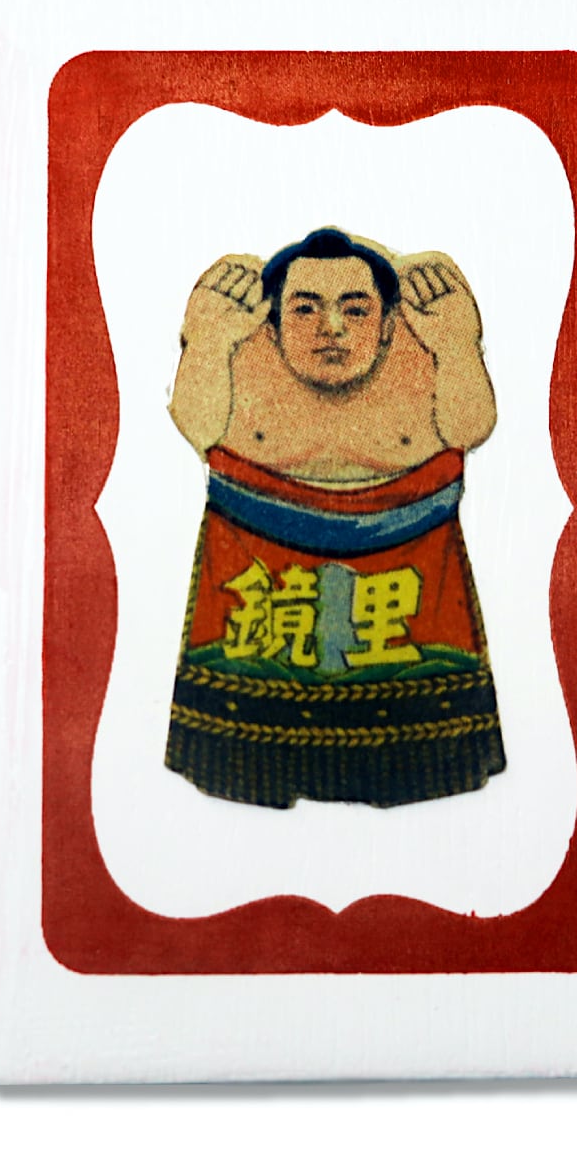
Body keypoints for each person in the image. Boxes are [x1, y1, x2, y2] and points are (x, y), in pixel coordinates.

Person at [163, 227, 507, 809]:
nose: (333, 328)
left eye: (355, 309)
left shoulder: (425, 344)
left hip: (408, 584)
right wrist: (206, 344)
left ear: (388, 323)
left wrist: (458, 346)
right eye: (305, 309)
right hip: (261, 587)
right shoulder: (240, 350)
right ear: (272, 322)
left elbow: (471, 428)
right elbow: (197, 426)